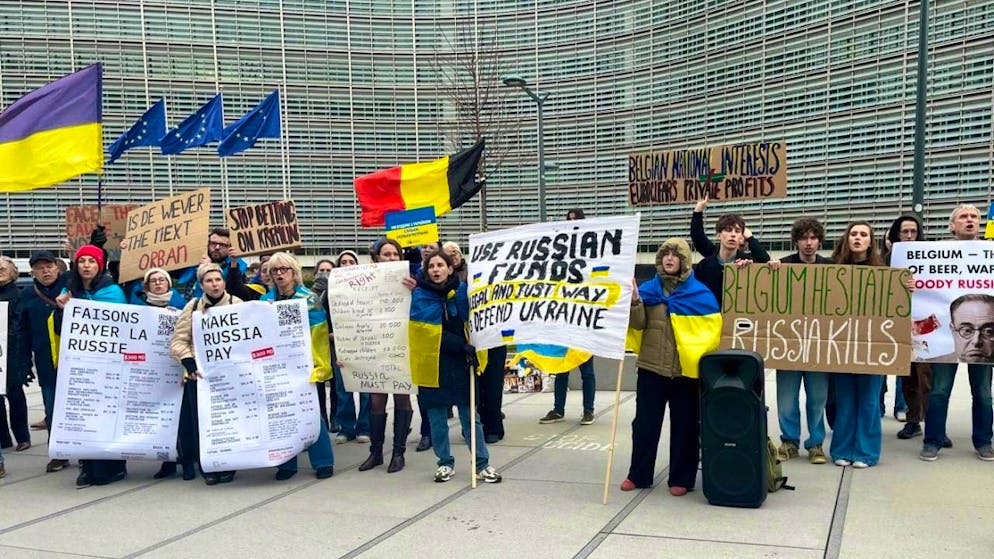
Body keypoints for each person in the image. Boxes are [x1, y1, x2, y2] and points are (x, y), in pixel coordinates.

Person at [620, 238, 721, 495]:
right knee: (644, 425)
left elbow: (711, 335)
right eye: (665, 254)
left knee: (685, 426)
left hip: (684, 372)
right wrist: (634, 301)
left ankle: (681, 478)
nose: (669, 258)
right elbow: (638, 325)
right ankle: (638, 474)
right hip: (651, 368)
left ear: (684, 261)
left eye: (675, 255)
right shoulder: (648, 290)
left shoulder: (700, 295)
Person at [411, 250, 501, 483]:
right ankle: (444, 462)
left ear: (450, 269)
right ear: (426, 271)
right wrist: (460, 345)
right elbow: (425, 334)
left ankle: (482, 464)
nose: (436, 269)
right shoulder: (420, 295)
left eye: (440, 265)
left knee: (470, 417)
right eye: (431, 266)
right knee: (437, 418)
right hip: (433, 363)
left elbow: (475, 321)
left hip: (462, 363)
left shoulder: (463, 292)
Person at [828, 222, 911, 469]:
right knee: (844, 402)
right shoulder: (832, 270)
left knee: (869, 402)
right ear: (847, 239)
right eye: (853, 234)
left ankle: (866, 453)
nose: (858, 238)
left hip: (873, 347)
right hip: (842, 347)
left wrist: (908, 288)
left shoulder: (884, 272)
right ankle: (842, 449)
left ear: (870, 241)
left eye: (863, 234)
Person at [920, 204, 994, 461]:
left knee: (983, 393)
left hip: (985, 337)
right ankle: (933, 440)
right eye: (963, 217)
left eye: (974, 216)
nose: (970, 220)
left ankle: (984, 441)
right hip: (945, 336)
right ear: (952, 225)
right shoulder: (936, 253)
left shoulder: (990, 253)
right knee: (939, 391)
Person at [55, 245, 129, 486]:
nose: (86, 265)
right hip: (81, 365)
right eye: (82, 261)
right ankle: (87, 465)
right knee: (85, 415)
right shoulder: (68, 292)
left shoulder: (113, 292)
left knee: (108, 415)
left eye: (91, 261)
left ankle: (113, 467)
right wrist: (62, 310)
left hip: (109, 364)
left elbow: (125, 327)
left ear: (100, 265)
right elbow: (61, 330)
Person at [261, 252, 335, 480]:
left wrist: (321, 366)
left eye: (284, 269)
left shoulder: (309, 299)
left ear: (294, 273)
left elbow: (319, 334)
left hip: (304, 367)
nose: (279, 274)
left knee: (311, 414)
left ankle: (323, 461)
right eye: (275, 270)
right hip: (276, 368)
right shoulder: (264, 302)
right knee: (282, 416)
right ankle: (287, 464)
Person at [169, 263, 240, 484]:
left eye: (218, 280)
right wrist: (189, 362)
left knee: (229, 421)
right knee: (202, 423)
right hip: (200, 377)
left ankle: (229, 464)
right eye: (209, 281)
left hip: (230, 376)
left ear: (224, 282)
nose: (214, 284)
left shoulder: (237, 304)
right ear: (201, 285)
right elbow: (178, 341)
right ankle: (208, 466)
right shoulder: (192, 307)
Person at [772, 219, 832, 464]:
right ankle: (789, 442)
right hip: (788, 345)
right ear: (796, 241)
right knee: (786, 399)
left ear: (819, 241)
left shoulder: (831, 268)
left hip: (818, 346)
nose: (808, 243)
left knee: (817, 399)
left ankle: (816, 444)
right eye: (803, 238)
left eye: (813, 238)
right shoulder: (782, 266)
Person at [357, 239, 418, 473]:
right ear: (377, 257)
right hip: (374, 347)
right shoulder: (362, 281)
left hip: (401, 346)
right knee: (376, 401)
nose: (391, 258)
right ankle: (376, 452)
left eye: (395, 254)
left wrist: (415, 291)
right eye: (386, 254)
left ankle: (399, 453)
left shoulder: (411, 281)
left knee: (402, 397)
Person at [127, 268, 188, 480]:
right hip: (152, 370)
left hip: (176, 366)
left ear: (169, 284)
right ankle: (167, 461)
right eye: (154, 281)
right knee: (160, 416)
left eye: (162, 280)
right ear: (147, 286)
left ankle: (187, 459)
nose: (159, 283)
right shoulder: (139, 308)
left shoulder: (183, 305)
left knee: (182, 418)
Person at [538, 208, 597, 426]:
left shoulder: (591, 252)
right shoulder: (559, 254)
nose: (572, 222)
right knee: (560, 366)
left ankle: (588, 410)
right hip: (563, 319)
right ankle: (558, 409)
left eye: (576, 219)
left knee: (586, 370)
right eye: (569, 219)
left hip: (583, 319)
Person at [18, 251, 69, 472]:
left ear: (57, 268)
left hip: (75, 359)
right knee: (52, 407)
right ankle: (58, 453)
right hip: (46, 361)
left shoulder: (71, 287)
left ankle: (85, 452)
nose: (45, 271)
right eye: (40, 268)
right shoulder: (28, 295)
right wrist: (23, 362)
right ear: (33, 273)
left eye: (49, 266)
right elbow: (22, 330)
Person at [884, 214, 932, 439]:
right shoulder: (888, 259)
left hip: (928, 324)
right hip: (899, 325)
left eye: (914, 231)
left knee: (927, 378)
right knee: (908, 377)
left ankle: (933, 424)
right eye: (905, 231)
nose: (910, 235)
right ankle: (913, 421)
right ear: (898, 234)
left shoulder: (930, 257)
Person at [690, 196, 770, 305]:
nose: (733, 234)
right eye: (728, 230)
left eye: (737, 231)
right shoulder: (706, 264)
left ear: (741, 236)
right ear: (718, 235)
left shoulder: (747, 262)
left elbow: (765, 260)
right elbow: (698, 238)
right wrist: (698, 211)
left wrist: (750, 238)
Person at [329, 250, 372, 445]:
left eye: (351, 262)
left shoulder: (368, 289)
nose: (347, 265)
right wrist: (329, 334)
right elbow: (322, 318)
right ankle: (346, 429)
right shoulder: (329, 292)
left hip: (365, 345)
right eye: (343, 262)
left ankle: (364, 427)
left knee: (366, 389)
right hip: (341, 346)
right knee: (343, 389)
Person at [171, 227, 256, 301]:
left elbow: (235, 291)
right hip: (190, 307)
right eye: (213, 243)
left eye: (222, 245)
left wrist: (208, 268)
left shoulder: (236, 267)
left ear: (229, 247)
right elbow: (171, 271)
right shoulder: (196, 260)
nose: (217, 248)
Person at [0, 257, 30, 453]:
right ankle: (3, 439)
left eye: (2, 268)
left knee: (15, 394)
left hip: (12, 352)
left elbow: (22, 324)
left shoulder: (19, 295)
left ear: (12, 272)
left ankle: (22, 437)